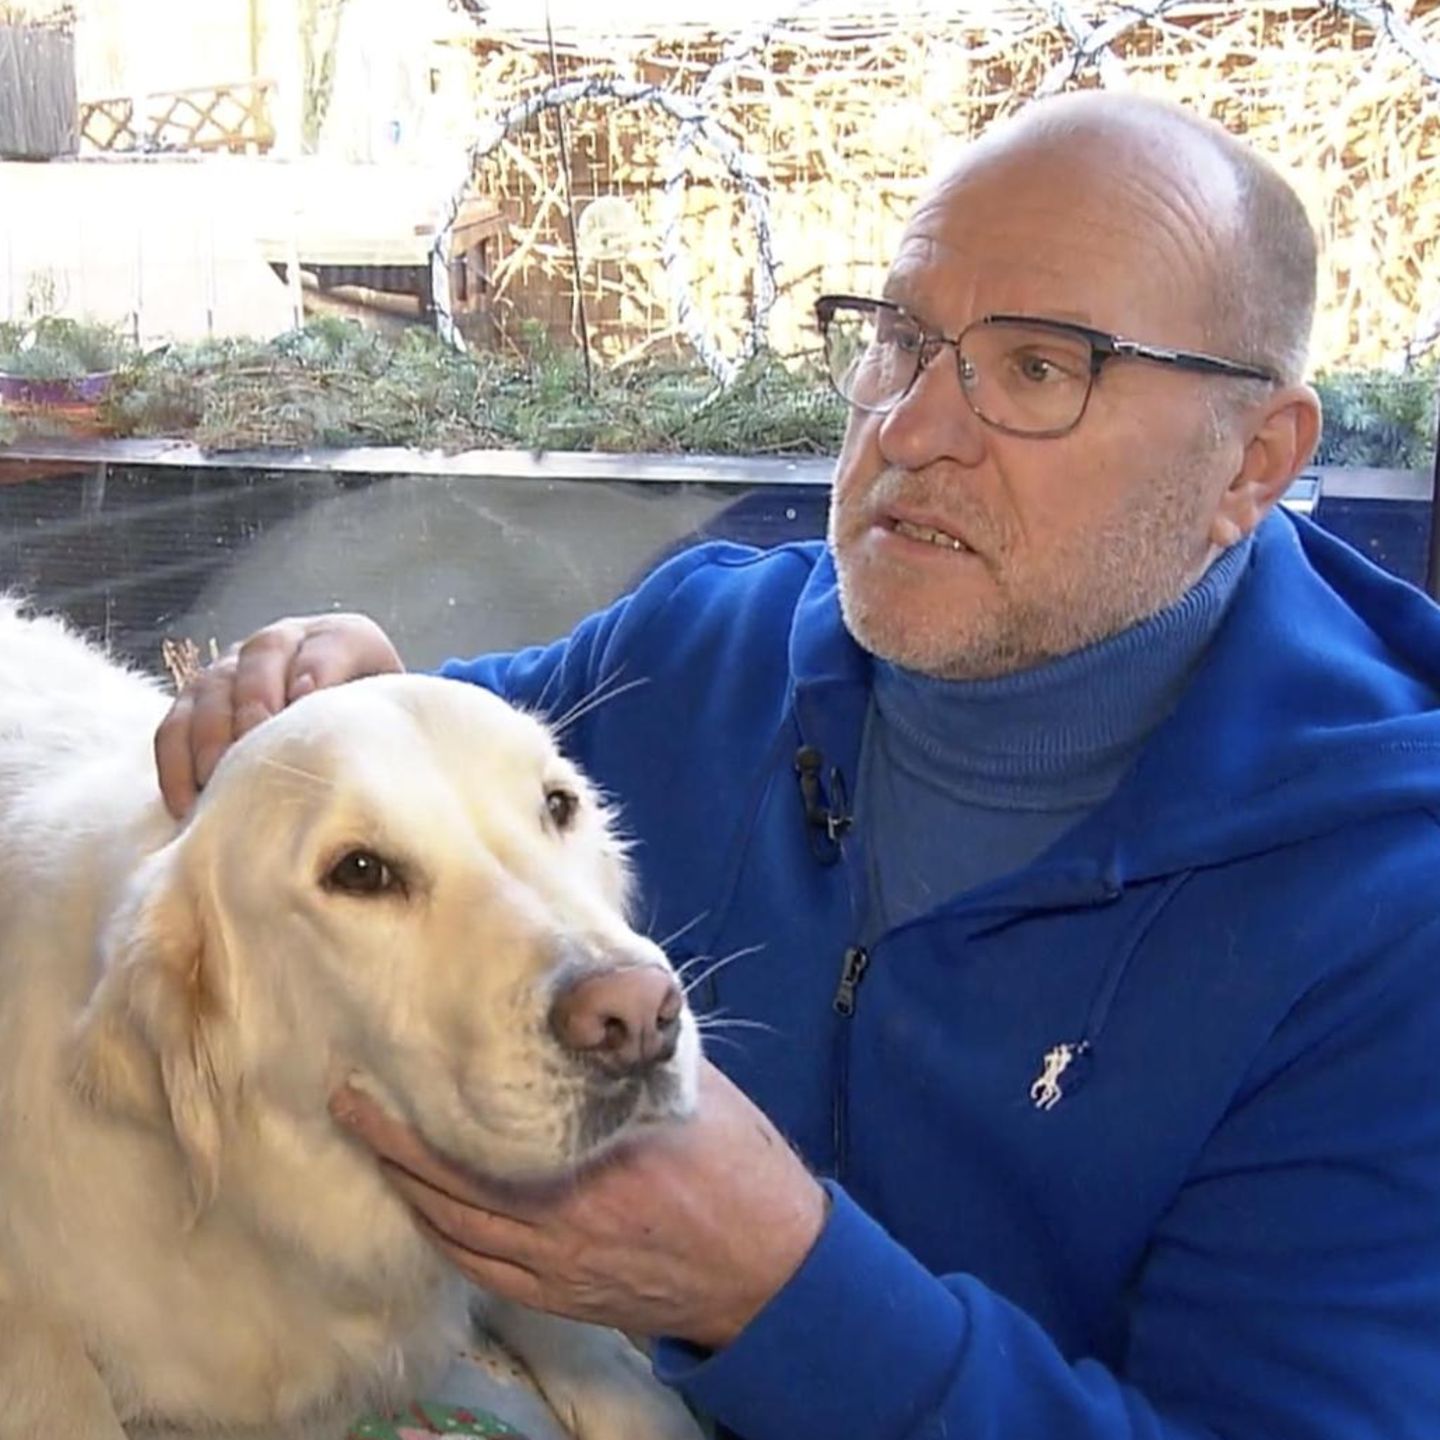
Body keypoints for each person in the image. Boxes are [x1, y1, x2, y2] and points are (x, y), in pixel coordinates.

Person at [155, 92, 1440, 1439]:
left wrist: (783, 1293)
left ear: (1255, 462)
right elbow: (395, 814)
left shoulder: (1387, 921)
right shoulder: (702, 649)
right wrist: (350, 687)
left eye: (1041, 370)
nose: (913, 429)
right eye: (899, 341)